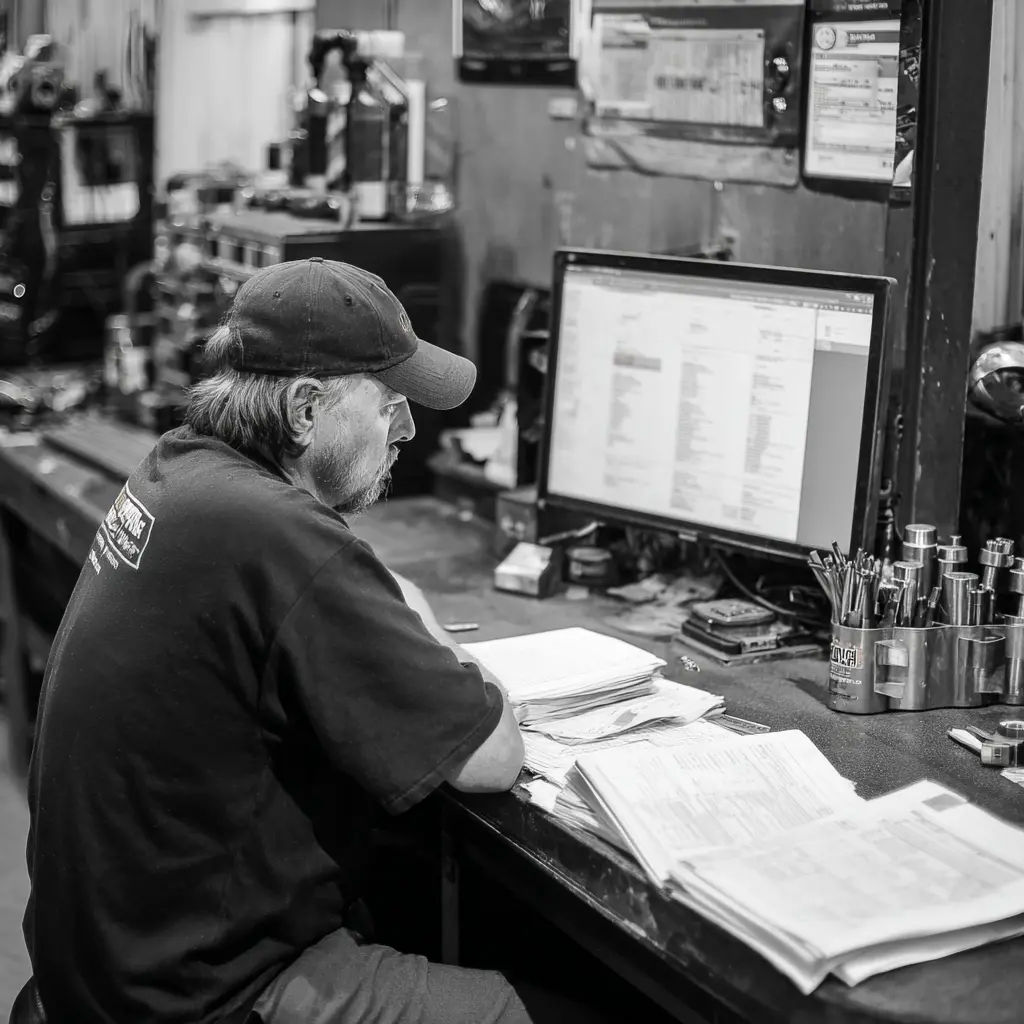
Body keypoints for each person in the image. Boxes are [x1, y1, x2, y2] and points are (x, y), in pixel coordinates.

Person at [22, 258, 535, 1024]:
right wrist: (435, 637)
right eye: (390, 403)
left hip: (97, 964)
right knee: (501, 1009)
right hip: (194, 994)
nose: (409, 429)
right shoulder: (281, 536)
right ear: (303, 410)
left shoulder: (180, 469)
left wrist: (385, 599)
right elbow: (492, 757)